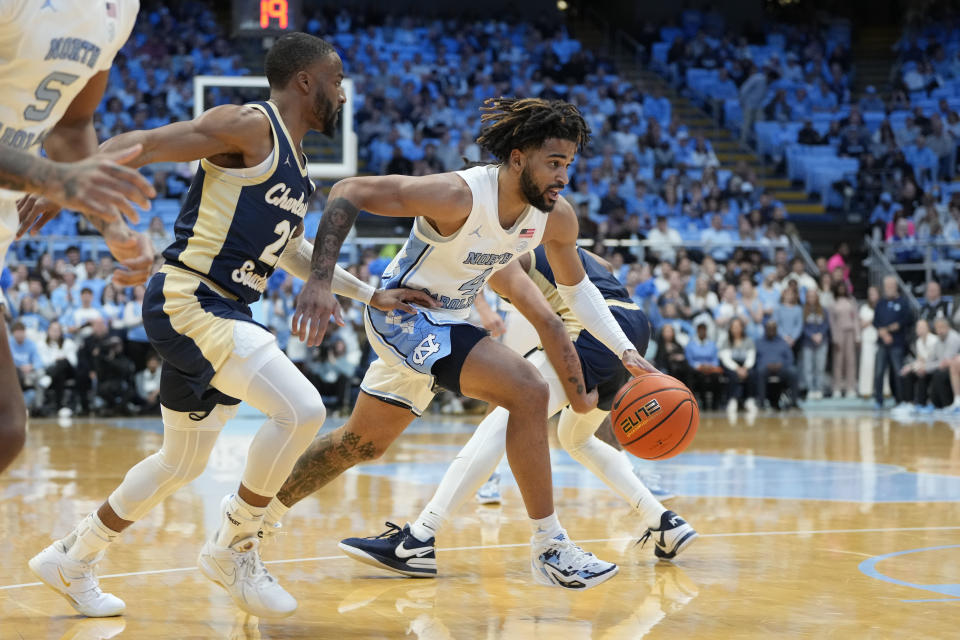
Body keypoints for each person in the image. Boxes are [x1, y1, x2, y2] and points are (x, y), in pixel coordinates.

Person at [29, 34, 434, 619]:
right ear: (305, 81)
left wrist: (373, 294)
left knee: (181, 463)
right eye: (336, 78)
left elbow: (293, 253)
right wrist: (65, 178)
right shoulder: (250, 125)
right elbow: (141, 144)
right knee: (303, 409)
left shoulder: (298, 165)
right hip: (190, 297)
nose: (342, 91)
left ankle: (72, 556)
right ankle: (235, 544)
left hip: (223, 310)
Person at [269, 97, 659, 591]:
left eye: (569, 165)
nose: (563, 177)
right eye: (554, 163)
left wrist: (624, 350)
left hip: (448, 323)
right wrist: (320, 280)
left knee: (358, 444)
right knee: (528, 390)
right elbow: (349, 190)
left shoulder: (554, 217)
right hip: (402, 314)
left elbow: (577, 293)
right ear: (517, 158)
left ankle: (253, 512)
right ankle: (550, 546)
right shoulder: (458, 196)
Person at [334, 245, 695, 580]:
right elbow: (605, 267)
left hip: (589, 333)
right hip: (631, 326)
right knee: (576, 439)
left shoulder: (505, 251)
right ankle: (662, 519)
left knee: (505, 418)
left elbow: (545, 319)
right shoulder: (561, 245)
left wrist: (574, 386)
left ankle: (418, 539)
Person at [0, 0, 157, 475]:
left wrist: (111, 223)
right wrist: (52, 179)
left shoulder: (119, 9)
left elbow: (72, 124)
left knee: (6, 429)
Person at [873, 276, 913, 410]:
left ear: (896, 286)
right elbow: (876, 321)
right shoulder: (881, 303)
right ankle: (878, 400)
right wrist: (883, 332)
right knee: (878, 372)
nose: (889, 288)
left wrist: (889, 329)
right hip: (882, 343)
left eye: (891, 285)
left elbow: (906, 320)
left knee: (898, 372)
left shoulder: (903, 302)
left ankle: (900, 400)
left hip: (897, 344)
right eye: (887, 285)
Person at [894, 319, 939, 415]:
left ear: (928, 328)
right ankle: (909, 403)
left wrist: (919, 367)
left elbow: (931, 360)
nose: (919, 329)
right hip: (923, 367)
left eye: (922, 327)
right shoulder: (918, 342)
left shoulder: (934, 340)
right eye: (918, 327)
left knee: (921, 373)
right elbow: (920, 360)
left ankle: (923, 404)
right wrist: (910, 367)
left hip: (934, 367)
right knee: (907, 374)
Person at [754, 319, 800, 410]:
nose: (771, 330)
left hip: (781, 368)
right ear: (765, 329)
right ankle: (761, 403)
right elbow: (755, 359)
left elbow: (790, 358)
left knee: (793, 372)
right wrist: (765, 365)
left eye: (773, 328)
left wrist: (782, 365)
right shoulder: (758, 342)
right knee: (759, 371)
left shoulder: (783, 342)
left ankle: (794, 402)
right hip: (765, 368)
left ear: (776, 329)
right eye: (769, 328)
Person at [828, 282, 860, 398]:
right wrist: (834, 337)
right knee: (838, 361)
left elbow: (856, 318)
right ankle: (837, 387)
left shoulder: (851, 301)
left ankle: (850, 387)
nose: (841, 289)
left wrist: (857, 335)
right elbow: (831, 322)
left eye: (843, 288)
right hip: (838, 332)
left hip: (850, 332)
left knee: (850, 360)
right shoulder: (833, 302)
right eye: (839, 287)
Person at [719, 316, 756, 413]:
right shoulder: (726, 342)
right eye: (733, 327)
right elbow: (726, 359)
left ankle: (749, 400)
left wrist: (745, 368)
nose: (736, 329)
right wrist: (737, 369)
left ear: (742, 328)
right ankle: (732, 400)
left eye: (738, 326)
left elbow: (751, 357)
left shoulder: (748, 341)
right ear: (730, 329)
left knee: (751, 373)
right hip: (731, 366)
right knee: (732, 375)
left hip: (745, 365)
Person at [685, 320, 724, 410]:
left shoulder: (712, 345)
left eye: (704, 330)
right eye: (700, 330)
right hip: (698, 370)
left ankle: (715, 403)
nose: (702, 332)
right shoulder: (691, 345)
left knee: (716, 377)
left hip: (711, 369)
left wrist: (710, 366)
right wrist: (700, 366)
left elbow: (715, 359)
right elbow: (689, 360)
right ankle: (703, 403)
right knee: (700, 378)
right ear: (697, 331)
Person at [801, 289, 830, 399]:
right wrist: (811, 335)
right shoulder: (803, 310)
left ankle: (819, 389)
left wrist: (820, 334)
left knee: (820, 367)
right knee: (808, 367)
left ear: (817, 297)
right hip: (808, 343)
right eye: (809, 296)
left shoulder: (823, 310)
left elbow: (826, 325)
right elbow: (802, 326)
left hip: (822, 342)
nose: (811, 298)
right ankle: (810, 389)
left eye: (814, 296)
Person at [859, 286, 881, 397]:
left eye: (874, 293)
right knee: (867, 365)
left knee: (881, 367)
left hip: (880, 339)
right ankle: (866, 390)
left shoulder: (882, 306)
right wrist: (874, 319)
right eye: (870, 294)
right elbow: (862, 324)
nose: (872, 296)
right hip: (867, 339)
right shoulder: (864, 308)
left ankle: (883, 390)